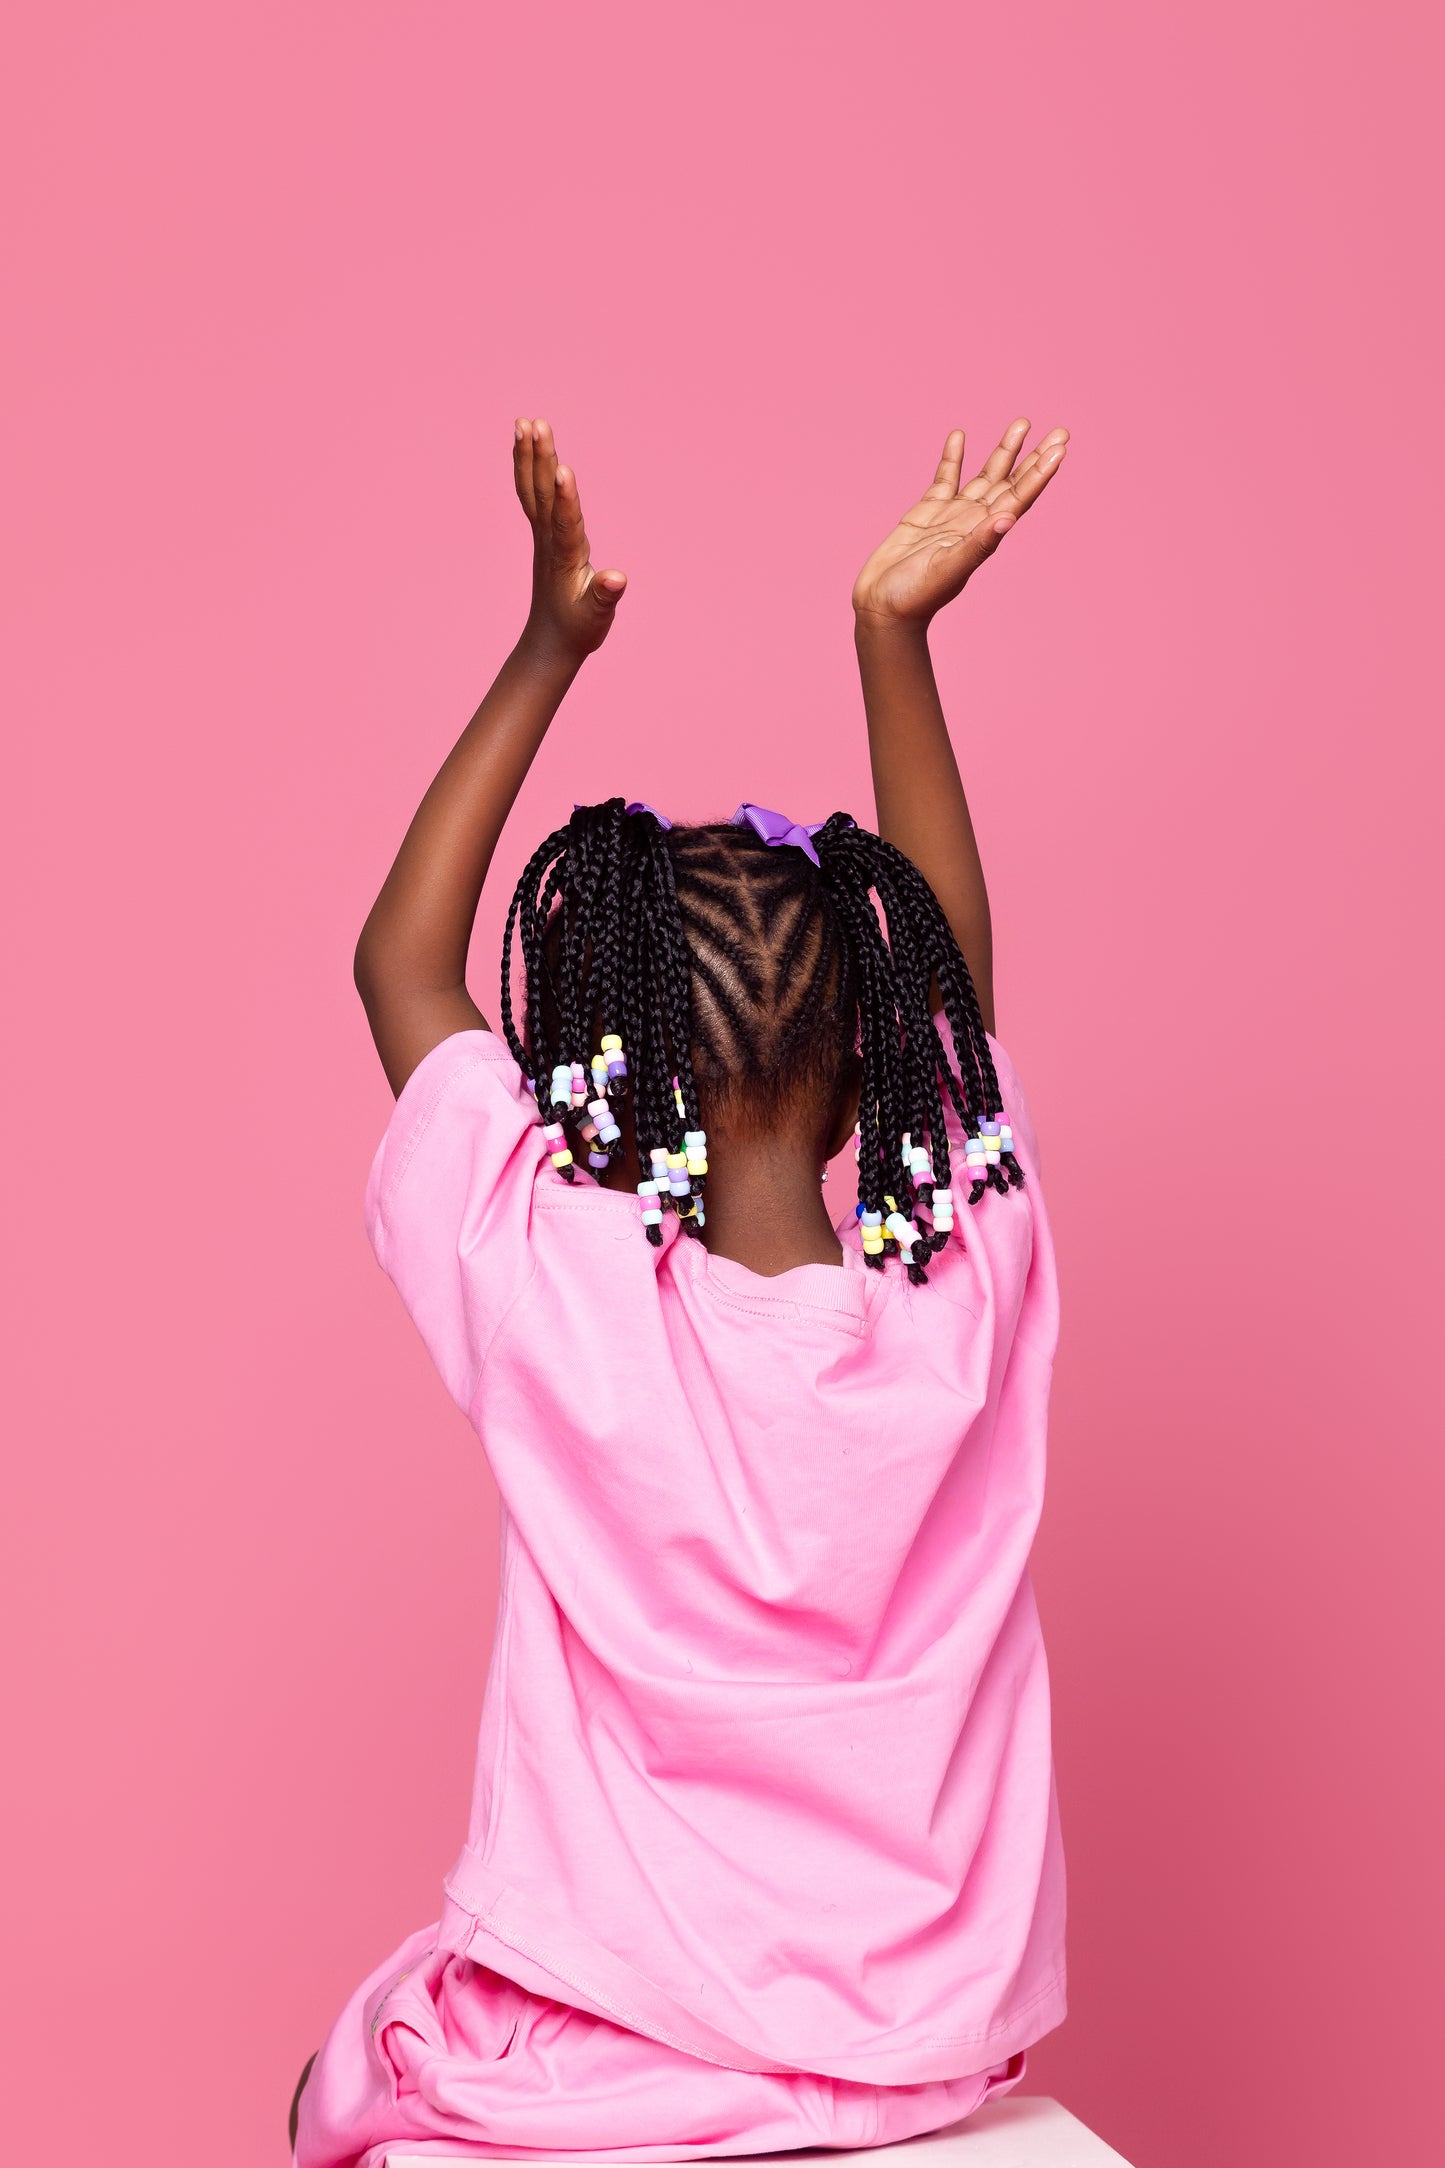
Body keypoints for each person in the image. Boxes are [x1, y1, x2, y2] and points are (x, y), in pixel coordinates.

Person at [293, 412, 1071, 2167]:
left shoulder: (563, 1297)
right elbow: (957, 998)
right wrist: (895, 636)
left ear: (606, 1077)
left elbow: (399, 966)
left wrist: (544, 648)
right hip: (923, 2064)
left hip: (607, 2047)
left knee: (341, 2077)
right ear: (884, 1066)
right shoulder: (968, 1298)